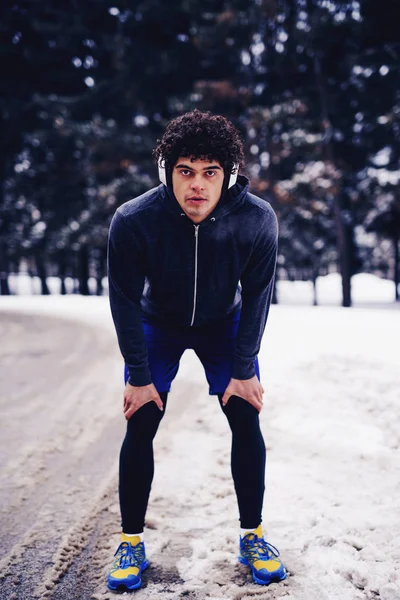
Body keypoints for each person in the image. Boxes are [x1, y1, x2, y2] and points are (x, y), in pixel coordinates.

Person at [106, 109, 286, 591]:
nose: (198, 186)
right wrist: (139, 375)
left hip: (223, 323)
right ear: (168, 172)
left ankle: (254, 535)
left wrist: (244, 367)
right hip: (156, 323)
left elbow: (258, 298)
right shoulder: (134, 219)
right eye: (185, 171)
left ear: (228, 176)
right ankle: (130, 542)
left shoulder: (256, 219)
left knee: (244, 412)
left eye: (210, 172)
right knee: (140, 417)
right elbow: (123, 301)